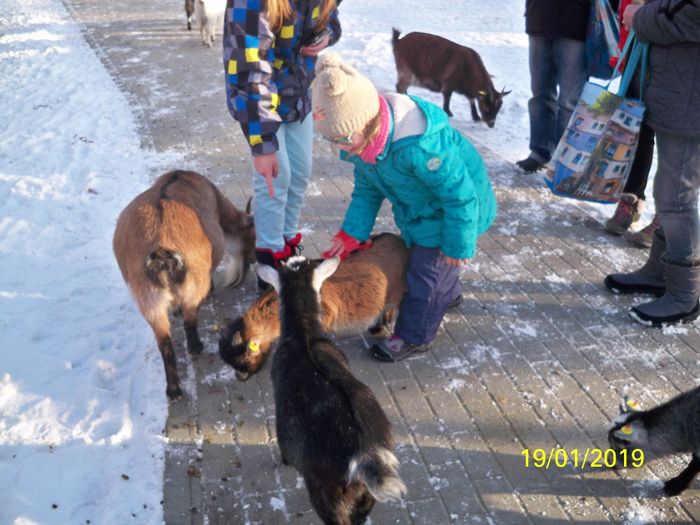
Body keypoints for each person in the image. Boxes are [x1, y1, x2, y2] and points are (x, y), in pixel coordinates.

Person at [311, 53, 497, 362]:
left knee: (424, 276)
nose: (341, 148)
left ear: (365, 121)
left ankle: (415, 337)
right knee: (434, 268)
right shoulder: (363, 146)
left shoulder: (421, 147)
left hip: (457, 212)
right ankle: (447, 293)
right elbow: (366, 192)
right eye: (332, 141)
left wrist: (459, 245)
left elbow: (459, 197)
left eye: (343, 138)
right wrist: (352, 233)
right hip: (422, 212)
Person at [223, 0, 341, 291]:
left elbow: (331, 18)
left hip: (298, 94)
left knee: (300, 173)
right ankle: (269, 264)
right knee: (277, 177)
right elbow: (248, 68)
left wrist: (328, 35)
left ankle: (287, 252)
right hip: (262, 99)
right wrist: (262, 143)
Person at [604, 0, 700, 326]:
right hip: (677, 92)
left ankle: (684, 295)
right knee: (668, 191)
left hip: (690, 100)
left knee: (676, 197)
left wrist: (639, 16)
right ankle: (659, 272)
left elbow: (689, 13)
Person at [604, 0, 660, 248]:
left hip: (675, 58)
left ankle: (668, 219)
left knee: (676, 145)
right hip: (639, 50)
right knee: (638, 130)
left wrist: (642, 15)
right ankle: (632, 199)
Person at [516, 0, 593, 173]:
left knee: (569, 102)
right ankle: (540, 152)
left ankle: (564, 162)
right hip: (539, 20)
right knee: (540, 95)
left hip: (575, 25)